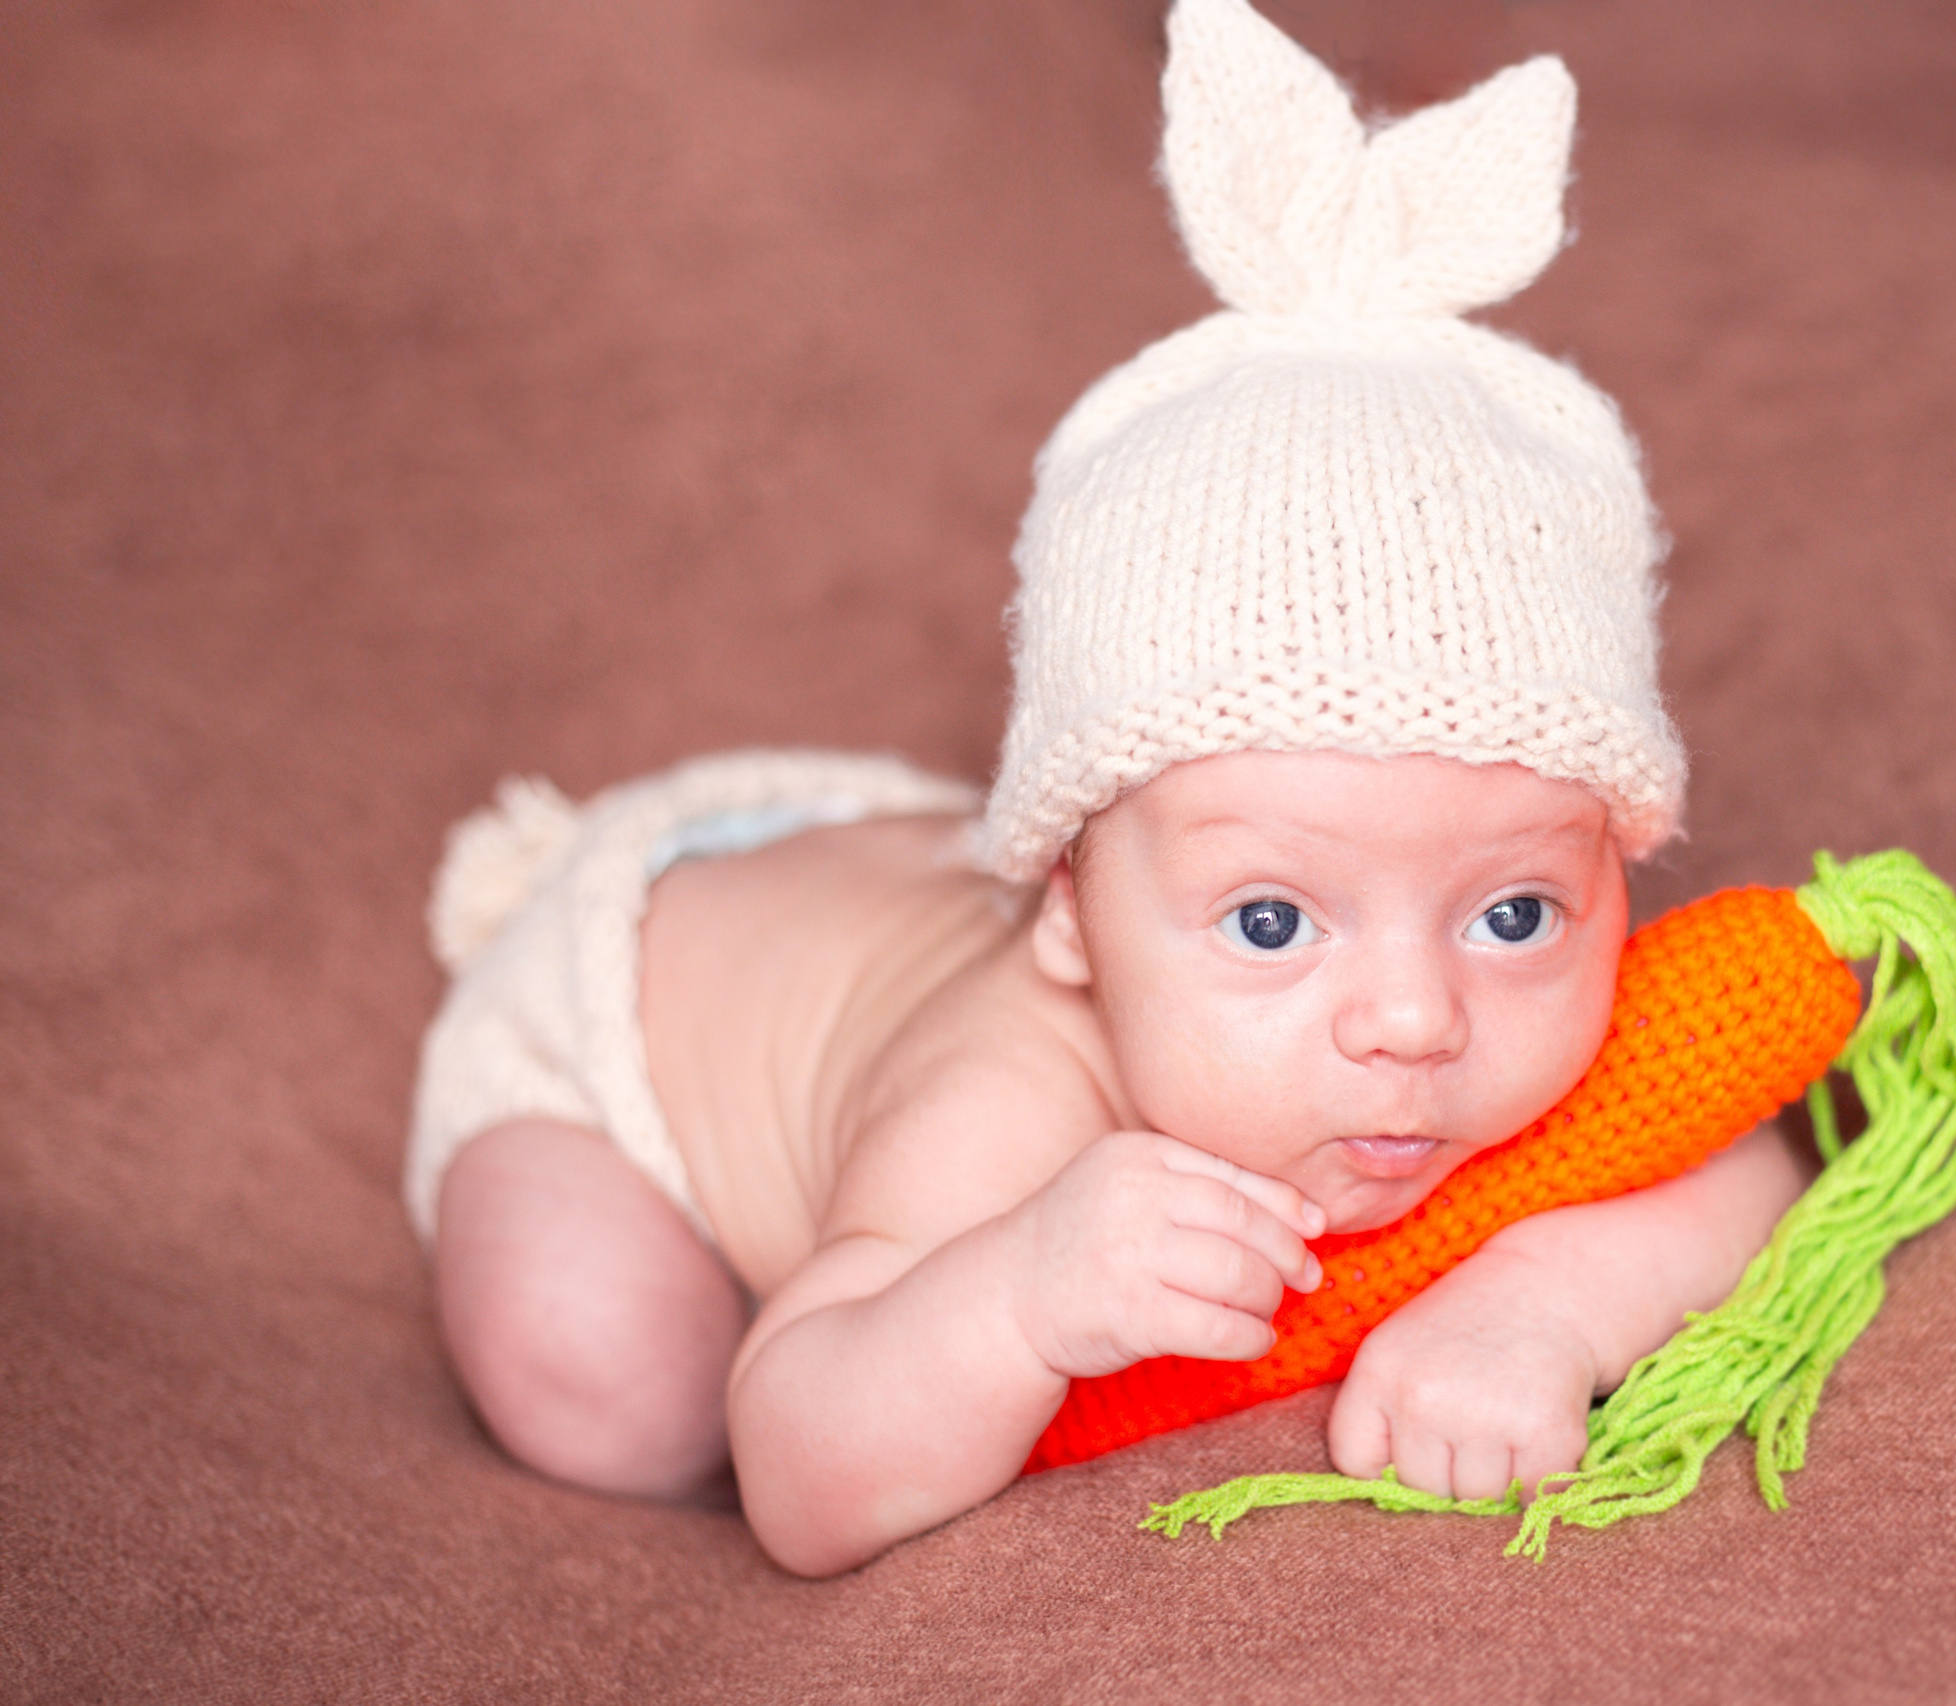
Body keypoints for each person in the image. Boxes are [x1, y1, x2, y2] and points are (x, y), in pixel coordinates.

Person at [405, 0, 1810, 1578]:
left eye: (1513, 907)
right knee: (617, 1387)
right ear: (1071, 914)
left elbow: (1740, 1162)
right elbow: (795, 1466)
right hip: (639, 998)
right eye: (1275, 919)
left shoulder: (1416, 974)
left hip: (922, 858)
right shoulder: (1012, 1093)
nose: (1416, 1018)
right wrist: (1010, 1293)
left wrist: (1544, 1304)